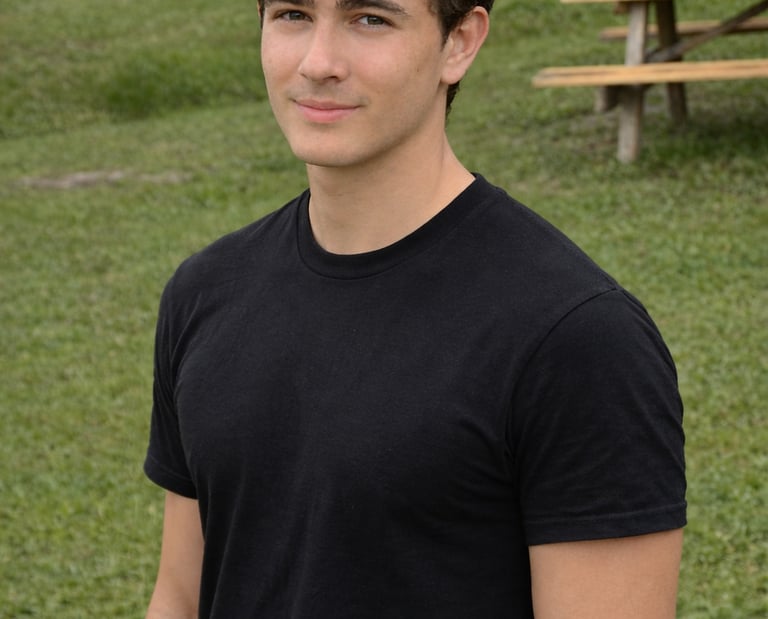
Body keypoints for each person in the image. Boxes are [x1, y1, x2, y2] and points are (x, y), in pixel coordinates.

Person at [143, 0, 687, 616]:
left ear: (459, 42)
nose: (318, 62)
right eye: (293, 14)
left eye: (370, 18)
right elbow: (181, 598)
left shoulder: (578, 337)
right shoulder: (204, 292)